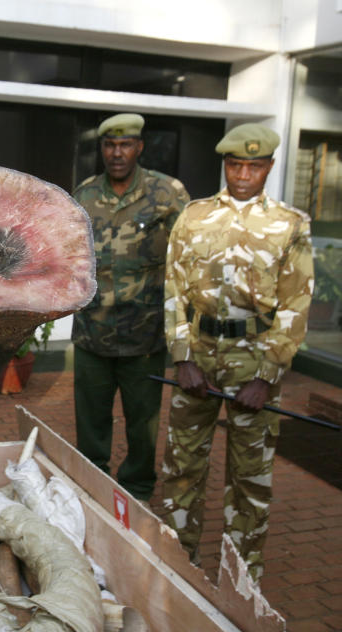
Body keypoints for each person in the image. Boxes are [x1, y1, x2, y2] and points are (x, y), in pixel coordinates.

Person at [161, 123, 313, 583]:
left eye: (254, 165)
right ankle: (176, 570)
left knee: (250, 479)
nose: (243, 174)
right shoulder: (193, 215)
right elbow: (173, 290)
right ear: (224, 165)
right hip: (199, 356)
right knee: (182, 469)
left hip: (255, 357)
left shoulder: (290, 223)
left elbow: (296, 303)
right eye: (234, 164)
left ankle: (241, 582)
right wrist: (182, 356)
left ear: (269, 167)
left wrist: (266, 376)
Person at [71, 113, 190, 501]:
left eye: (125, 145)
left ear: (139, 147)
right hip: (93, 334)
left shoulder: (168, 193)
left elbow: (187, 259)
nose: (116, 153)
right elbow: (68, 255)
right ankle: (92, 484)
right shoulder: (84, 195)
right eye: (109, 145)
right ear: (102, 149)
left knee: (143, 424)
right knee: (91, 422)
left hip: (145, 335)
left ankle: (137, 488)